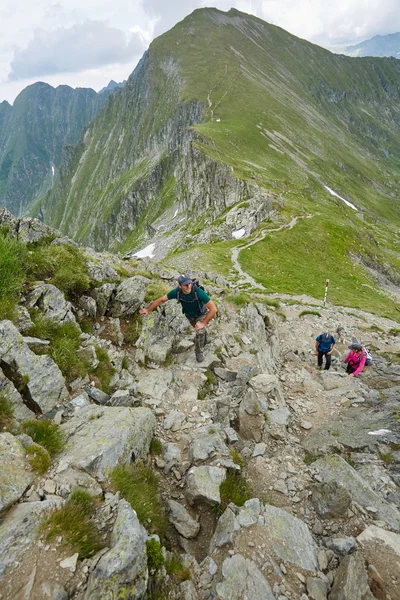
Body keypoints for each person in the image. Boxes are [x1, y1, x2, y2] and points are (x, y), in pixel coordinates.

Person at [139, 274, 217, 363]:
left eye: (189, 283)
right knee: (199, 329)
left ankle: (198, 351)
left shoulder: (198, 292)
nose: (188, 286)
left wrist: (203, 323)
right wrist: (147, 309)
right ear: (179, 285)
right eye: (185, 285)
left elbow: (213, 309)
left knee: (200, 330)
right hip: (189, 316)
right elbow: (161, 300)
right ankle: (205, 339)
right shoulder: (176, 292)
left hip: (202, 313)